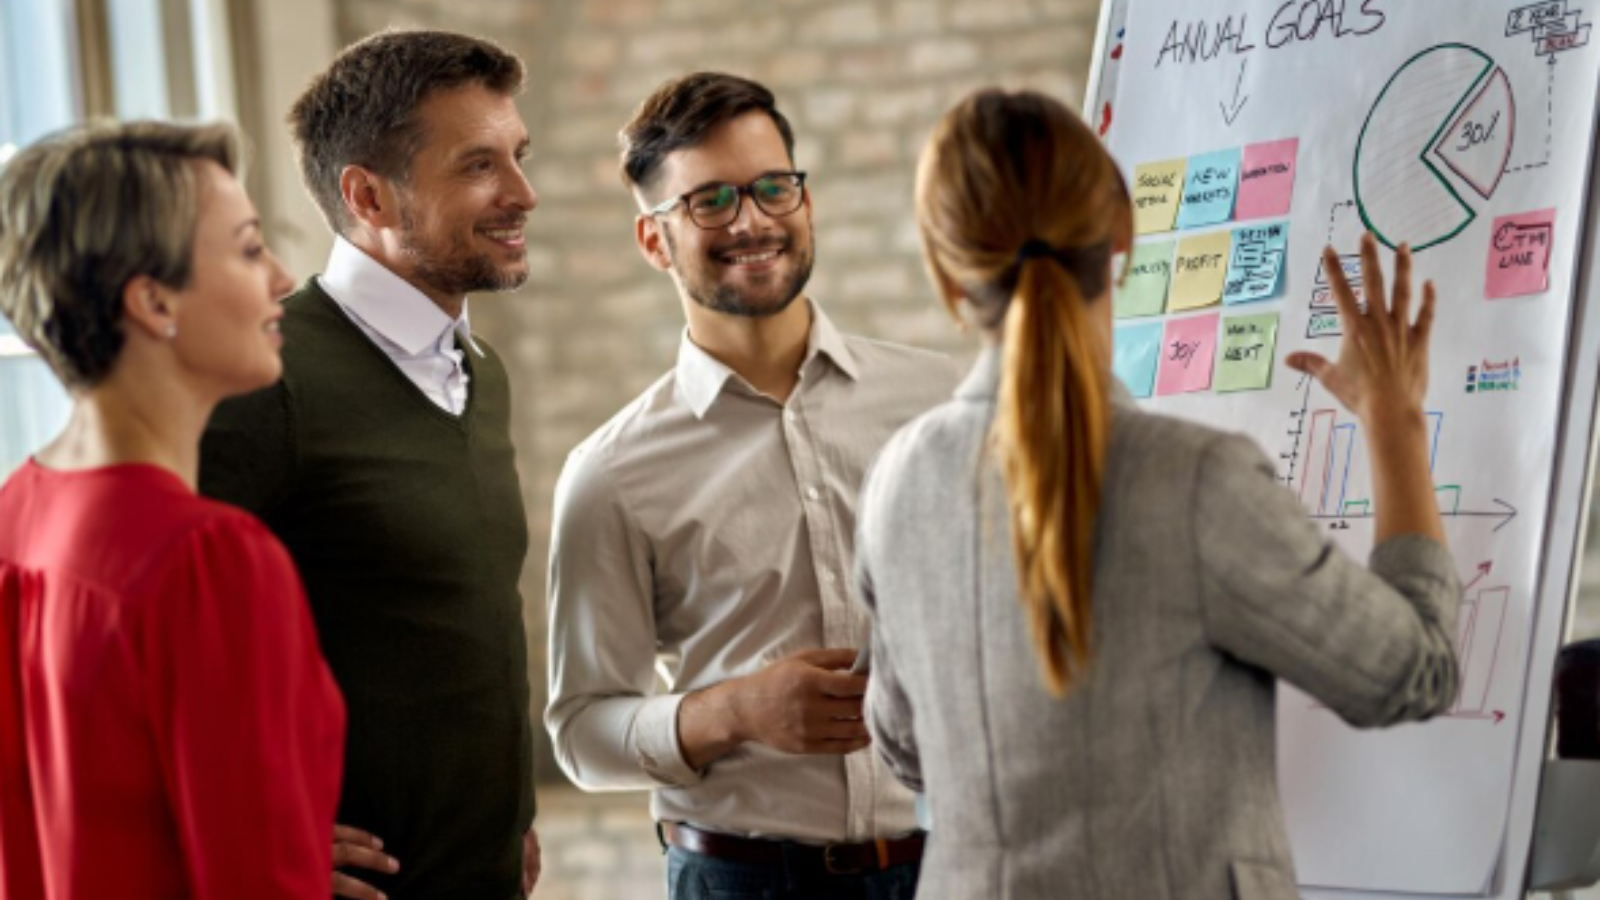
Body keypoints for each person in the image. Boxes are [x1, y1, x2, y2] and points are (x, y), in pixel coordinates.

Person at [856, 89, 1462, 900]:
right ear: (1120, 238)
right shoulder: (1193, 482)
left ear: (946, 272)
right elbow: (1412, 671)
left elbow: (906, 746)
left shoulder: (897, 479)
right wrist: (1395, 421)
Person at [544, 72, 958, 899]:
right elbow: (582, 732)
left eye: (774, 188)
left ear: (806, 203)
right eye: (709, 201)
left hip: (953, 865)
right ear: (654, 240)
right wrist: (734, 712)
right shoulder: (611, 473)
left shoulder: (941, 404)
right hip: (743, 881)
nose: (751, 221)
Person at [199, 30, 540, 900]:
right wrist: (249, 834)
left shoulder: (480, 375)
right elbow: (130, 647)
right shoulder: (268, 377)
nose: (522, 194)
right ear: (368, 195)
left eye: (517, 157)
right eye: (478, 166)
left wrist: (502, 814)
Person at [0, 121, 342, 898]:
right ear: (154, 301)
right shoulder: (209, 559)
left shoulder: (12, 516)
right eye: (251, 248)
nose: (284, 279)